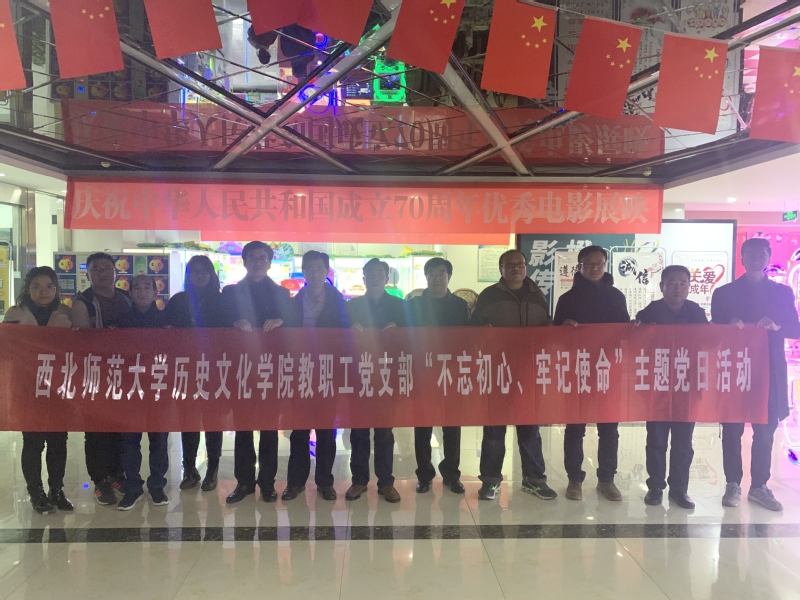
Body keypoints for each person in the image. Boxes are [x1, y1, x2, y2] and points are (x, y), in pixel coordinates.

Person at [711, 237, 800, 511]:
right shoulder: (724, 293)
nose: (756, 258)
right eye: (750, 254)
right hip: (734, 369)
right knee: (732, 430)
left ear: (768, 258)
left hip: (769, 371)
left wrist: (776, 326)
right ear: (742, 258)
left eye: (762, 254)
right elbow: (713, 330)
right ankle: (732, 484)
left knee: (765, 431)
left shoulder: (782, 293)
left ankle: (759, 486)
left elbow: (795, 329)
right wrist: (729, 325)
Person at [471, 249, 558, 502]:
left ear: (526, 267)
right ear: (501, 269)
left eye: (520, 264)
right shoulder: (488, 295)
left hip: (529, 372)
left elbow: (547, 326)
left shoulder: (538, 295)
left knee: (530, 428)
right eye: (509, 264)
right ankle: (490, 481)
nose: (515, 268)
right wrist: (482, 331)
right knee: (494, 429)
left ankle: (534, 480)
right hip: (498, 371)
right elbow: (472, 328)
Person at [222, 241, 300, 504]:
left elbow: (295, 324)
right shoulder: (230, 293)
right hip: (241, 371)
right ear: (244, 261)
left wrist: (282, 321)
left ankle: (267, 482)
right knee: (243, 427)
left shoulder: (281, 294)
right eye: (253, 257)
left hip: (271, 371)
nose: (258, 262)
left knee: (268, 428)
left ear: (269, 262)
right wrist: (233, 322)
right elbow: (218, 324)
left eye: (263, 258)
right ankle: (244, 482)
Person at [554, 245, 629, 502]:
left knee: (609, 430)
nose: (595, 268)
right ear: (580, 266)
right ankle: (574, 479)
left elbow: (624, 332)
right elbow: (555, 335)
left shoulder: (617, 297)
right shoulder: (567, 299)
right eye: (589, 264)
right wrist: (563, 327)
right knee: (575, 428)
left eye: (599, 263)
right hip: (578, 371)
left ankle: (606, 480)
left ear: (605, 265)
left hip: (609, 372)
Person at [636, 265, 709, 509]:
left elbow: (708, 344)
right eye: (672, 283)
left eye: (683, 283)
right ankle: (655, 487)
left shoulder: (696, 312)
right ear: (662, 286)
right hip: (657, 386)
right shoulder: (650, 311)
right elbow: (636, 340)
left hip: (686, 387)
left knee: (683, 442)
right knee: (656, 440)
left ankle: (679, 489)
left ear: (689, 286)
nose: (678, 288)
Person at [4, 267, 74, 514]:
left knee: (58, 441)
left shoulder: (65, 313)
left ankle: (57, 490)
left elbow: (79, 348)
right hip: (27, 387)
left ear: (56, 288)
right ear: (28, 288)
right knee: (33, 442)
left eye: (48, 286)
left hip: (58, 387)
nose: (43, 291)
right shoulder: (15, 313)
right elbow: (7, 349)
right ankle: (36, 493)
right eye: (36, 286)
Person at [283, 251, 348, 503]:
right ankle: (295, 482)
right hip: (300, 371)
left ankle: (325, 482)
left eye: (319, 268)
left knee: (325, 430)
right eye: (309, 269)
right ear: (304, 272)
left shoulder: (338, 301)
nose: (315, 273)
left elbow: (346, 337)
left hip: (327, 372)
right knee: (299, 429)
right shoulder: (294, 301)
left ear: (326, 271)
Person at [344, 258, 408, 504]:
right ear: (364, 279)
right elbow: (338, 338)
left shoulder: (400, 306)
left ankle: (386, 482)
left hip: (387, 376)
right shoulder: (351, 306)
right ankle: (359, 480)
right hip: (359, 375)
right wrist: (349, 330)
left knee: (384, 432)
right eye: (370, 274)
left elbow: (412, 336)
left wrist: (398, 328)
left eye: (379, 274)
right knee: (359, 431)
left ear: (387, 278)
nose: (374, 278)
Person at [164, 255, 229, 493]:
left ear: (212, 275)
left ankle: (212, 468)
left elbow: (231, 335)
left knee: (213, 420)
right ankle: (189, 468)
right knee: (188, 420)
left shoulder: (222, 301)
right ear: (188, 275)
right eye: (195, 271)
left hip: (214, 371)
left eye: (204, 271)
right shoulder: (178, 301)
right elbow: (165, 331)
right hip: (186, 371)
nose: (200, 275)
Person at [71, 252, 131, 506]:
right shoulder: (82, 302)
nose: (102, 273)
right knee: (96, 430)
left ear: (116, 272)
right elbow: (83, 339)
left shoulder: (126, 298)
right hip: (95, 374)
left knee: (120, 427)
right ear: (88, 274)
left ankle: (117, 474)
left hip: (124, 374)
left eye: (107, 268)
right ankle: (100, 480)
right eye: (96, 269)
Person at [408, 257, 469, 495]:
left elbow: (467, 338)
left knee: (452, 426)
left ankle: (451, 474)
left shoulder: (460, 305)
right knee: (423, 426)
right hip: (423, 372)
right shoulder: (414, 305)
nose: (436, 278)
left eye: (441, 273)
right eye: (431, 273)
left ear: (449, 277)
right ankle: (424, 475)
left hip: (451, 372)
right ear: (425, 277)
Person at [116, 275, 170, 510]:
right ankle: (133, 486)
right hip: (131, 388)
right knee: (130, 441)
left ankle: (157, 485)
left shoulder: (167, 321)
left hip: (158, 387)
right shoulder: (121, 322)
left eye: (147, 287)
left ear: (156, 293)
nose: (142, 291)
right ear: (130, 293)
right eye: (136, 287)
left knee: (159, 440)